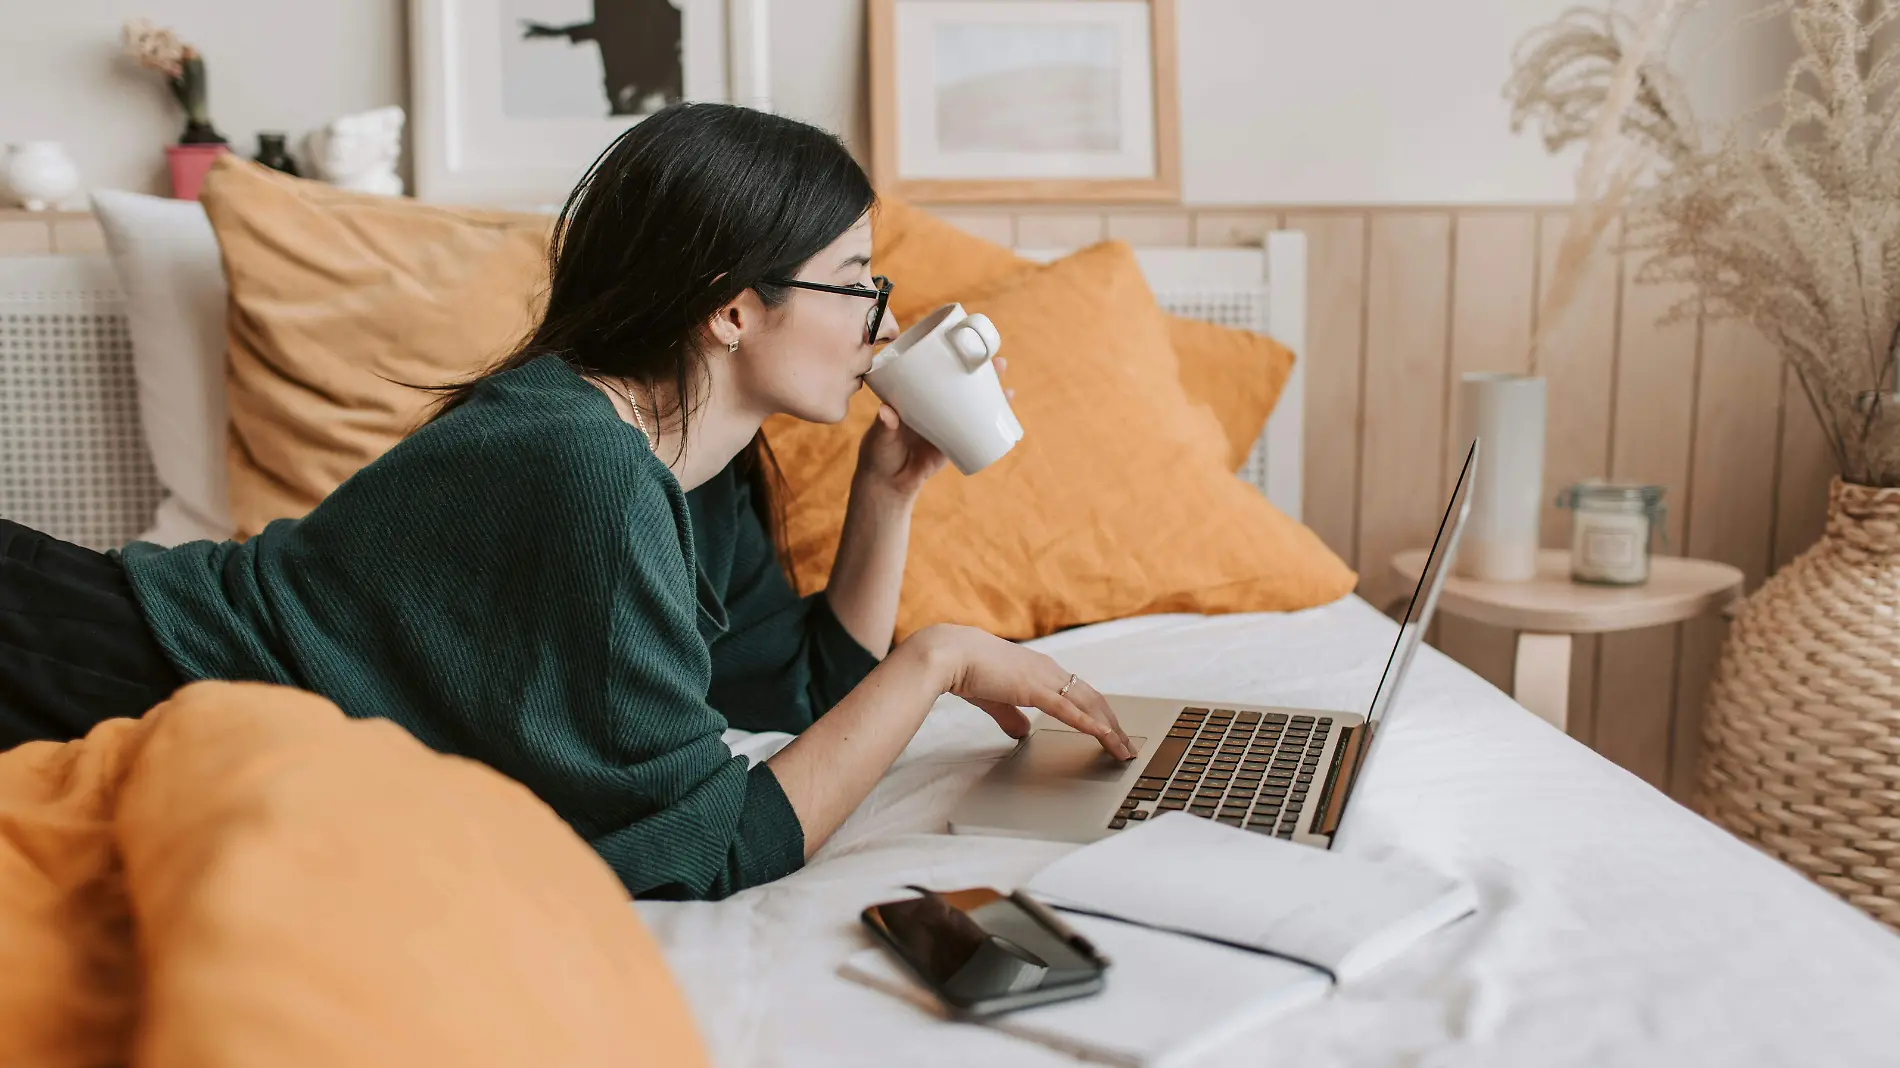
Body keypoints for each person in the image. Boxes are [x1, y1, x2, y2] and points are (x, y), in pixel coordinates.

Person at [0, 103, 1134, 900]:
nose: (882, 323)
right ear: (732, 311)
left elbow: (795, 698)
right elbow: (715, 848)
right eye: (856, 282)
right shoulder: (583, 469)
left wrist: (887, 498)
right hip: (94, 667)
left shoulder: (695, 463)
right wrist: (935, 659)